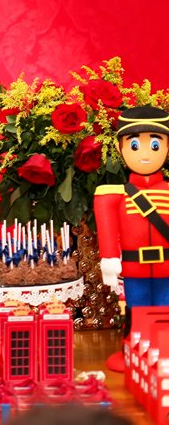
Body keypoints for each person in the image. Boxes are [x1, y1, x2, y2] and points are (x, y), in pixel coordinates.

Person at [93, 105, 169, 371]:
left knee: (165, 312)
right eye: (135, 145)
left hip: (166, 268)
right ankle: (134, 354)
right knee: (135, 312)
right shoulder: (114, 194)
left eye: (155, 145)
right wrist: (109, 259)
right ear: (121, 148)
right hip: (134, 268)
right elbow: (107, 227)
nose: (145, 154)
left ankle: (163, 355)